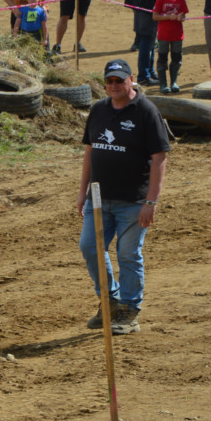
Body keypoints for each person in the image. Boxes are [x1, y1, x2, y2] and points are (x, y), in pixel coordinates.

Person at [77, 59, 169, 335]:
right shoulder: (98, 110)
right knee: (90, 247)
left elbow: (159, 158)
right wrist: (81, 192)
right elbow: (90, 152)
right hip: (98, 198)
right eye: (110, 81)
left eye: (120, 80)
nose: (114, 85)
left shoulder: (146, 112)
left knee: (128, 254)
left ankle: (130, 310)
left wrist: (150, 202)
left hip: (133, 201)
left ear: (132, 79)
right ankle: (110, 301)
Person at [152, 0, 188, 93]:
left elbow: (184, 16)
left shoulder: (181, 0)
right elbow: (155, 16)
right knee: (162, 58)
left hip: (177, 35)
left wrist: (180, 18)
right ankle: (163, 84)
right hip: (163, 36)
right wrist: (168, 16)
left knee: (176, 58)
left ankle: (173, 82)